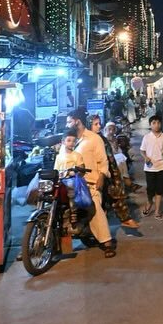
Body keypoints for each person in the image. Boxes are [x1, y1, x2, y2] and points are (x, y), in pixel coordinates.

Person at [66, 107, 116, 257]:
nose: (67, 124)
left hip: (89, 184)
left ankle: (107, 242)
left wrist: (101, 177)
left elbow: (103, 161)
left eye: (69, 121)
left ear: (78, 122)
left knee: (93, 205)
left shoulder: (94, 139)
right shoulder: (68, 139)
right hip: (69, 183)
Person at [141, 116, 163, 220]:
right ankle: (149, 203)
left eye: (158, 123)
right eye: (154, 123)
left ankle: (157, 211)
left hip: (161, 167)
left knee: (159, 190)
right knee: (150, 190)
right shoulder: (146, 137)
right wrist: (145, 158)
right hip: (149, 169)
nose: (156, 125)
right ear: (150, 125)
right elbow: (142, 150)